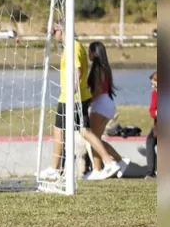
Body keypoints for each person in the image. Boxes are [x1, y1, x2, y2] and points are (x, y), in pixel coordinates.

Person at [39, 24, 92, 180]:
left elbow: (78, 70)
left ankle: (54, 168)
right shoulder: (73, 46)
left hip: (70, 97)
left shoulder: (73, 47)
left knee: (62, 132)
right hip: (71, 96)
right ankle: (59, 167)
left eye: (54, 31)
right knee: (79, 131)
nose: (54, 34)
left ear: (61, 31)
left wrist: (72, 90)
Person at [78, 41, 130, 180]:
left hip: (100, 103)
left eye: (89, 51)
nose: (88, 54)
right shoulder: (104, 67)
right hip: (106, 103)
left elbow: (98, 89)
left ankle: (103, 166)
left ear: (95, 53)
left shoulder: (98, 68)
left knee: (93, 138)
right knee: (96, 139)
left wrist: (88, 100)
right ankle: (109, 165)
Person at [144, 71, 158, 179]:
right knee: (150, 142)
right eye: (152, 84)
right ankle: (150, 172)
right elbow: (152, 111)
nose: (153, 87)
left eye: (154, 84)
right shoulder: (154, 93)